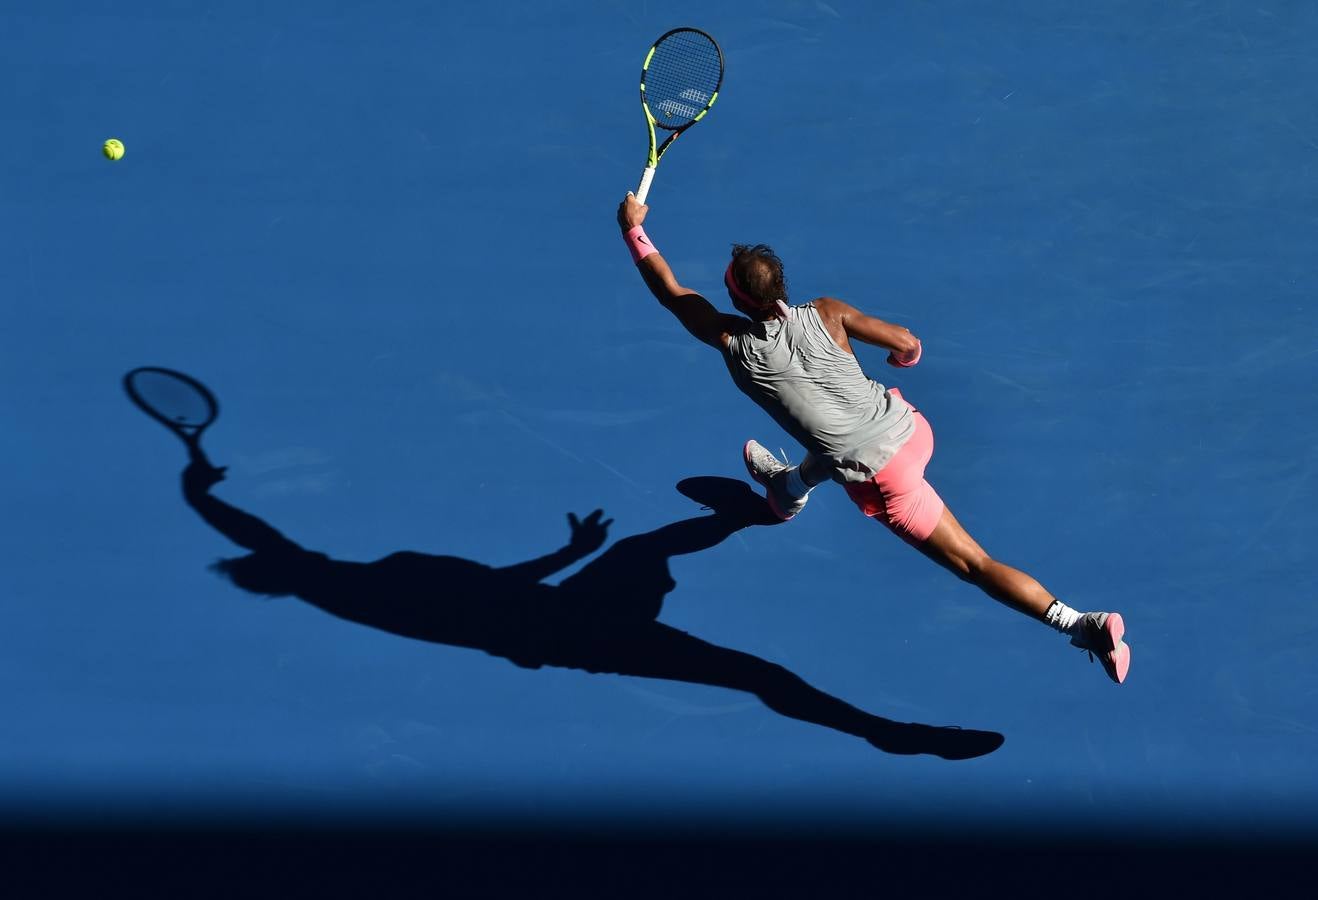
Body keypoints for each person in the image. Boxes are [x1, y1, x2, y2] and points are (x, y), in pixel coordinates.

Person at [616, 193, 1130, 684]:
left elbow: (672, 292)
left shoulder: (732, 341)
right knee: (833, 438)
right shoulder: (828, 312)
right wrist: (900, 359)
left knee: (974, 563)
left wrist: (633, 228)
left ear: (735, 299)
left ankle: (1082, 624)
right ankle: (789, 487)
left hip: (884, 475)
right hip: (911, 428)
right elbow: (908, 344)